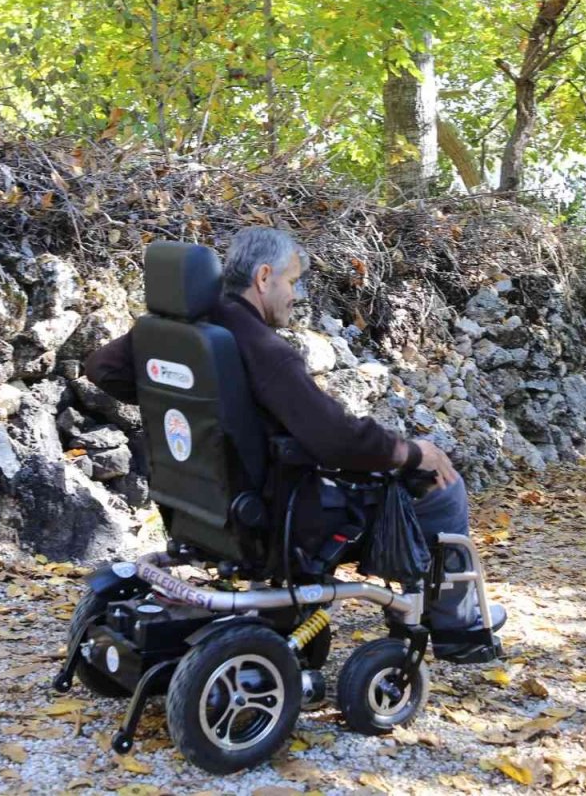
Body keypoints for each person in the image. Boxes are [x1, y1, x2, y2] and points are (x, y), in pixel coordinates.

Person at [84, 226, 503, 661]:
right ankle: (459, 630)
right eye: (292, 280)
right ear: (264, 278)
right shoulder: (263, 348)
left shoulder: (168, 334)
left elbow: (104, 369)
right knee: (442, 486)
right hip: (279, 516)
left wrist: (180, 400)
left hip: (199, 509)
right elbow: (338, 441)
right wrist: (415, 453)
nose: (296, 294)